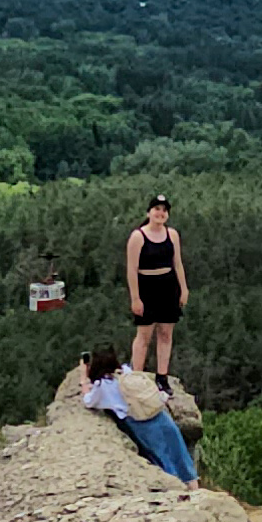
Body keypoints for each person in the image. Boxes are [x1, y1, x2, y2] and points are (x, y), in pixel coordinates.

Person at [79, 345, 197, 483]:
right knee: (179, 452)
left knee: (161, 457)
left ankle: (177, 489)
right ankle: (194, 486)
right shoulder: (126, 371)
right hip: (158, 413)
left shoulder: (102, 386)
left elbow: (89, 401)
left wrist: (84, 380)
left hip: (140, 422)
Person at [126, 195, 188, 392]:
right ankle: (137, 376)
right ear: (149, 212)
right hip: (147, 286)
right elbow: (131, 269)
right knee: (144, 334)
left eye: (164, 210)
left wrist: (184, 288)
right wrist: (135, 298)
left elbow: (177, 263)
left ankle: (162, 376)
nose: (160, 213)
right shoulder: (138, 236)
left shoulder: (172, 235)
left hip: (169, 285)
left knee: (166, 333)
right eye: (157, 209)